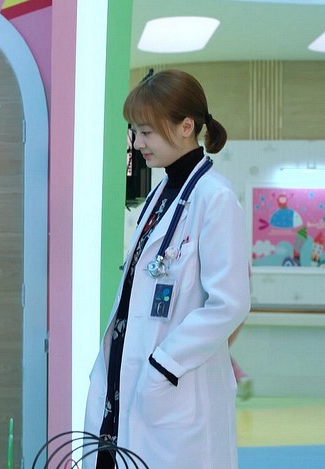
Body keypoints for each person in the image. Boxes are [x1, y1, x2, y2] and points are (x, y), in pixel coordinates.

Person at [84, 69, 250, 469]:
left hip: (172, 382)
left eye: (146, 132)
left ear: (186, 127)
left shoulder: (215, 198)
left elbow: (229, 304)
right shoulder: (161, 193)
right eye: (135, 132)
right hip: (127, 378)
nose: (137, 143)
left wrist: (164, 365)